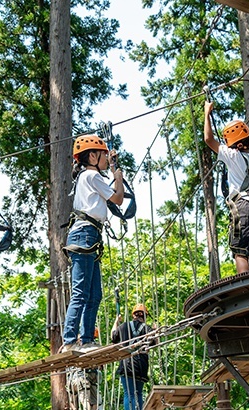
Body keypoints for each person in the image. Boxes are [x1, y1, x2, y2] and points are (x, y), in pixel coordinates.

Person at [62, 135, 124, 353]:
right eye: (104, 155)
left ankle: (87, 339)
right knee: (81, 292)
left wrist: (113, 169)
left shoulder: (88, 176)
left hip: (90, 236)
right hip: (84, 234)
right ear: (93, 156)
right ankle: (70, 340)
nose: (106, 159)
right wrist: (118, 174)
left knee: (94, 294)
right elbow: (117, 199)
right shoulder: (91, 175)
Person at [204, 101, 249, 274]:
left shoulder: (231, 155)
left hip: (243, 207)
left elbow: (208, 139)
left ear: (233, 143)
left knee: (240, 252)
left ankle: (245, 285)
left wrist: (207, 114)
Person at [111, 303, 155, 410]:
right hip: (142, 366)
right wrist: (155, 329)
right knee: (138, 394)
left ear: (133, 315)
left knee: (129, 394)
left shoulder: (124, 326)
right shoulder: (147, 329)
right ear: (144, 316)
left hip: (127, 365)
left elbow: (113, 337)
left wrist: (116, 321)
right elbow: (155, 343)